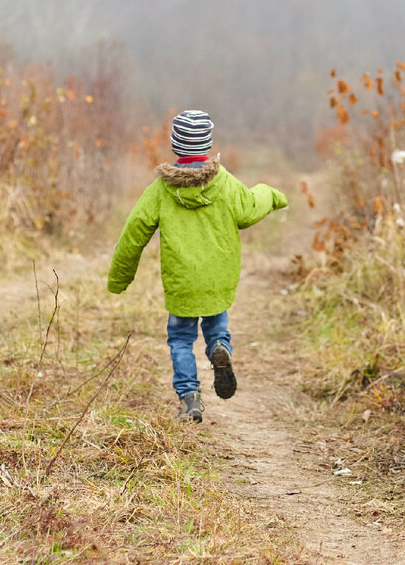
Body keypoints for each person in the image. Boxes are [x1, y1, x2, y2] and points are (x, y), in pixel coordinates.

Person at [107, 110, 288, 422]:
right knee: (217, 324)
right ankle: (219, 346)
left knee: (180, 340)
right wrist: (271, 194)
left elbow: (133, 233)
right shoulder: (225, 182)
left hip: (181, 283)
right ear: (208, 144)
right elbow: (249, 209)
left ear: (176, 146)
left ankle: (190, 399)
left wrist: (119, 278)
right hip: (217, 278)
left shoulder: (161, 190)